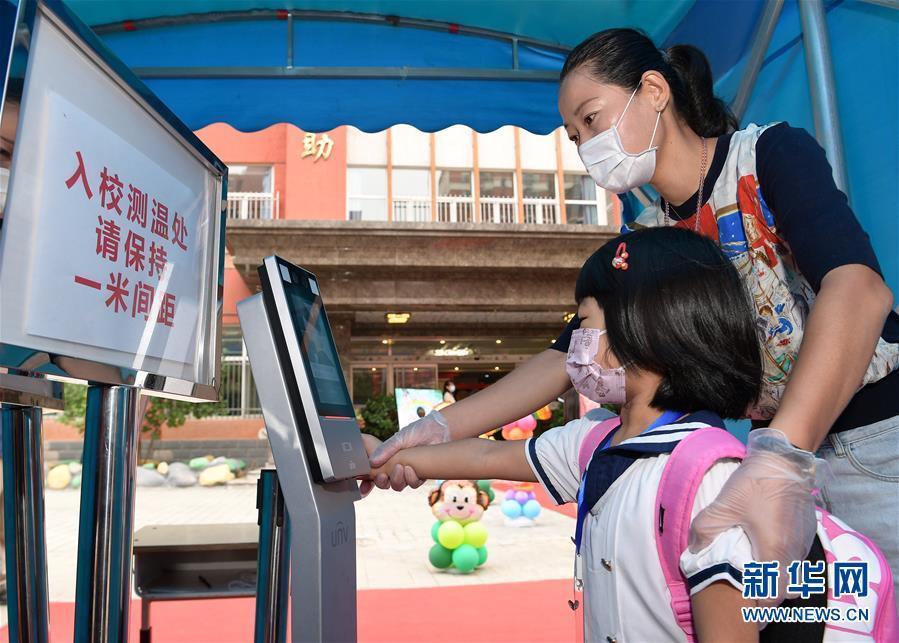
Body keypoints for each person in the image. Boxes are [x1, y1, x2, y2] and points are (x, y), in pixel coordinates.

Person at [366, 28, 899, 595]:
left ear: (653, 90)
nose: (585, 145)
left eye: (591, 120)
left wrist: (778, 455)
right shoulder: (647, 236)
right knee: (817, 626)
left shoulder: (766, 155)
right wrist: (435, 429)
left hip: (871, 443)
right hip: (771, 458)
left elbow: (858, 288)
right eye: (573, 136)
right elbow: (564, 358)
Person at [366, 228, 831, 640]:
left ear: (645, 327)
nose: (573, 348)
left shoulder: (711, 480)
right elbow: (486, 459)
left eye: (583, 325)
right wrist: (382, 455)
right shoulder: (593, 443)